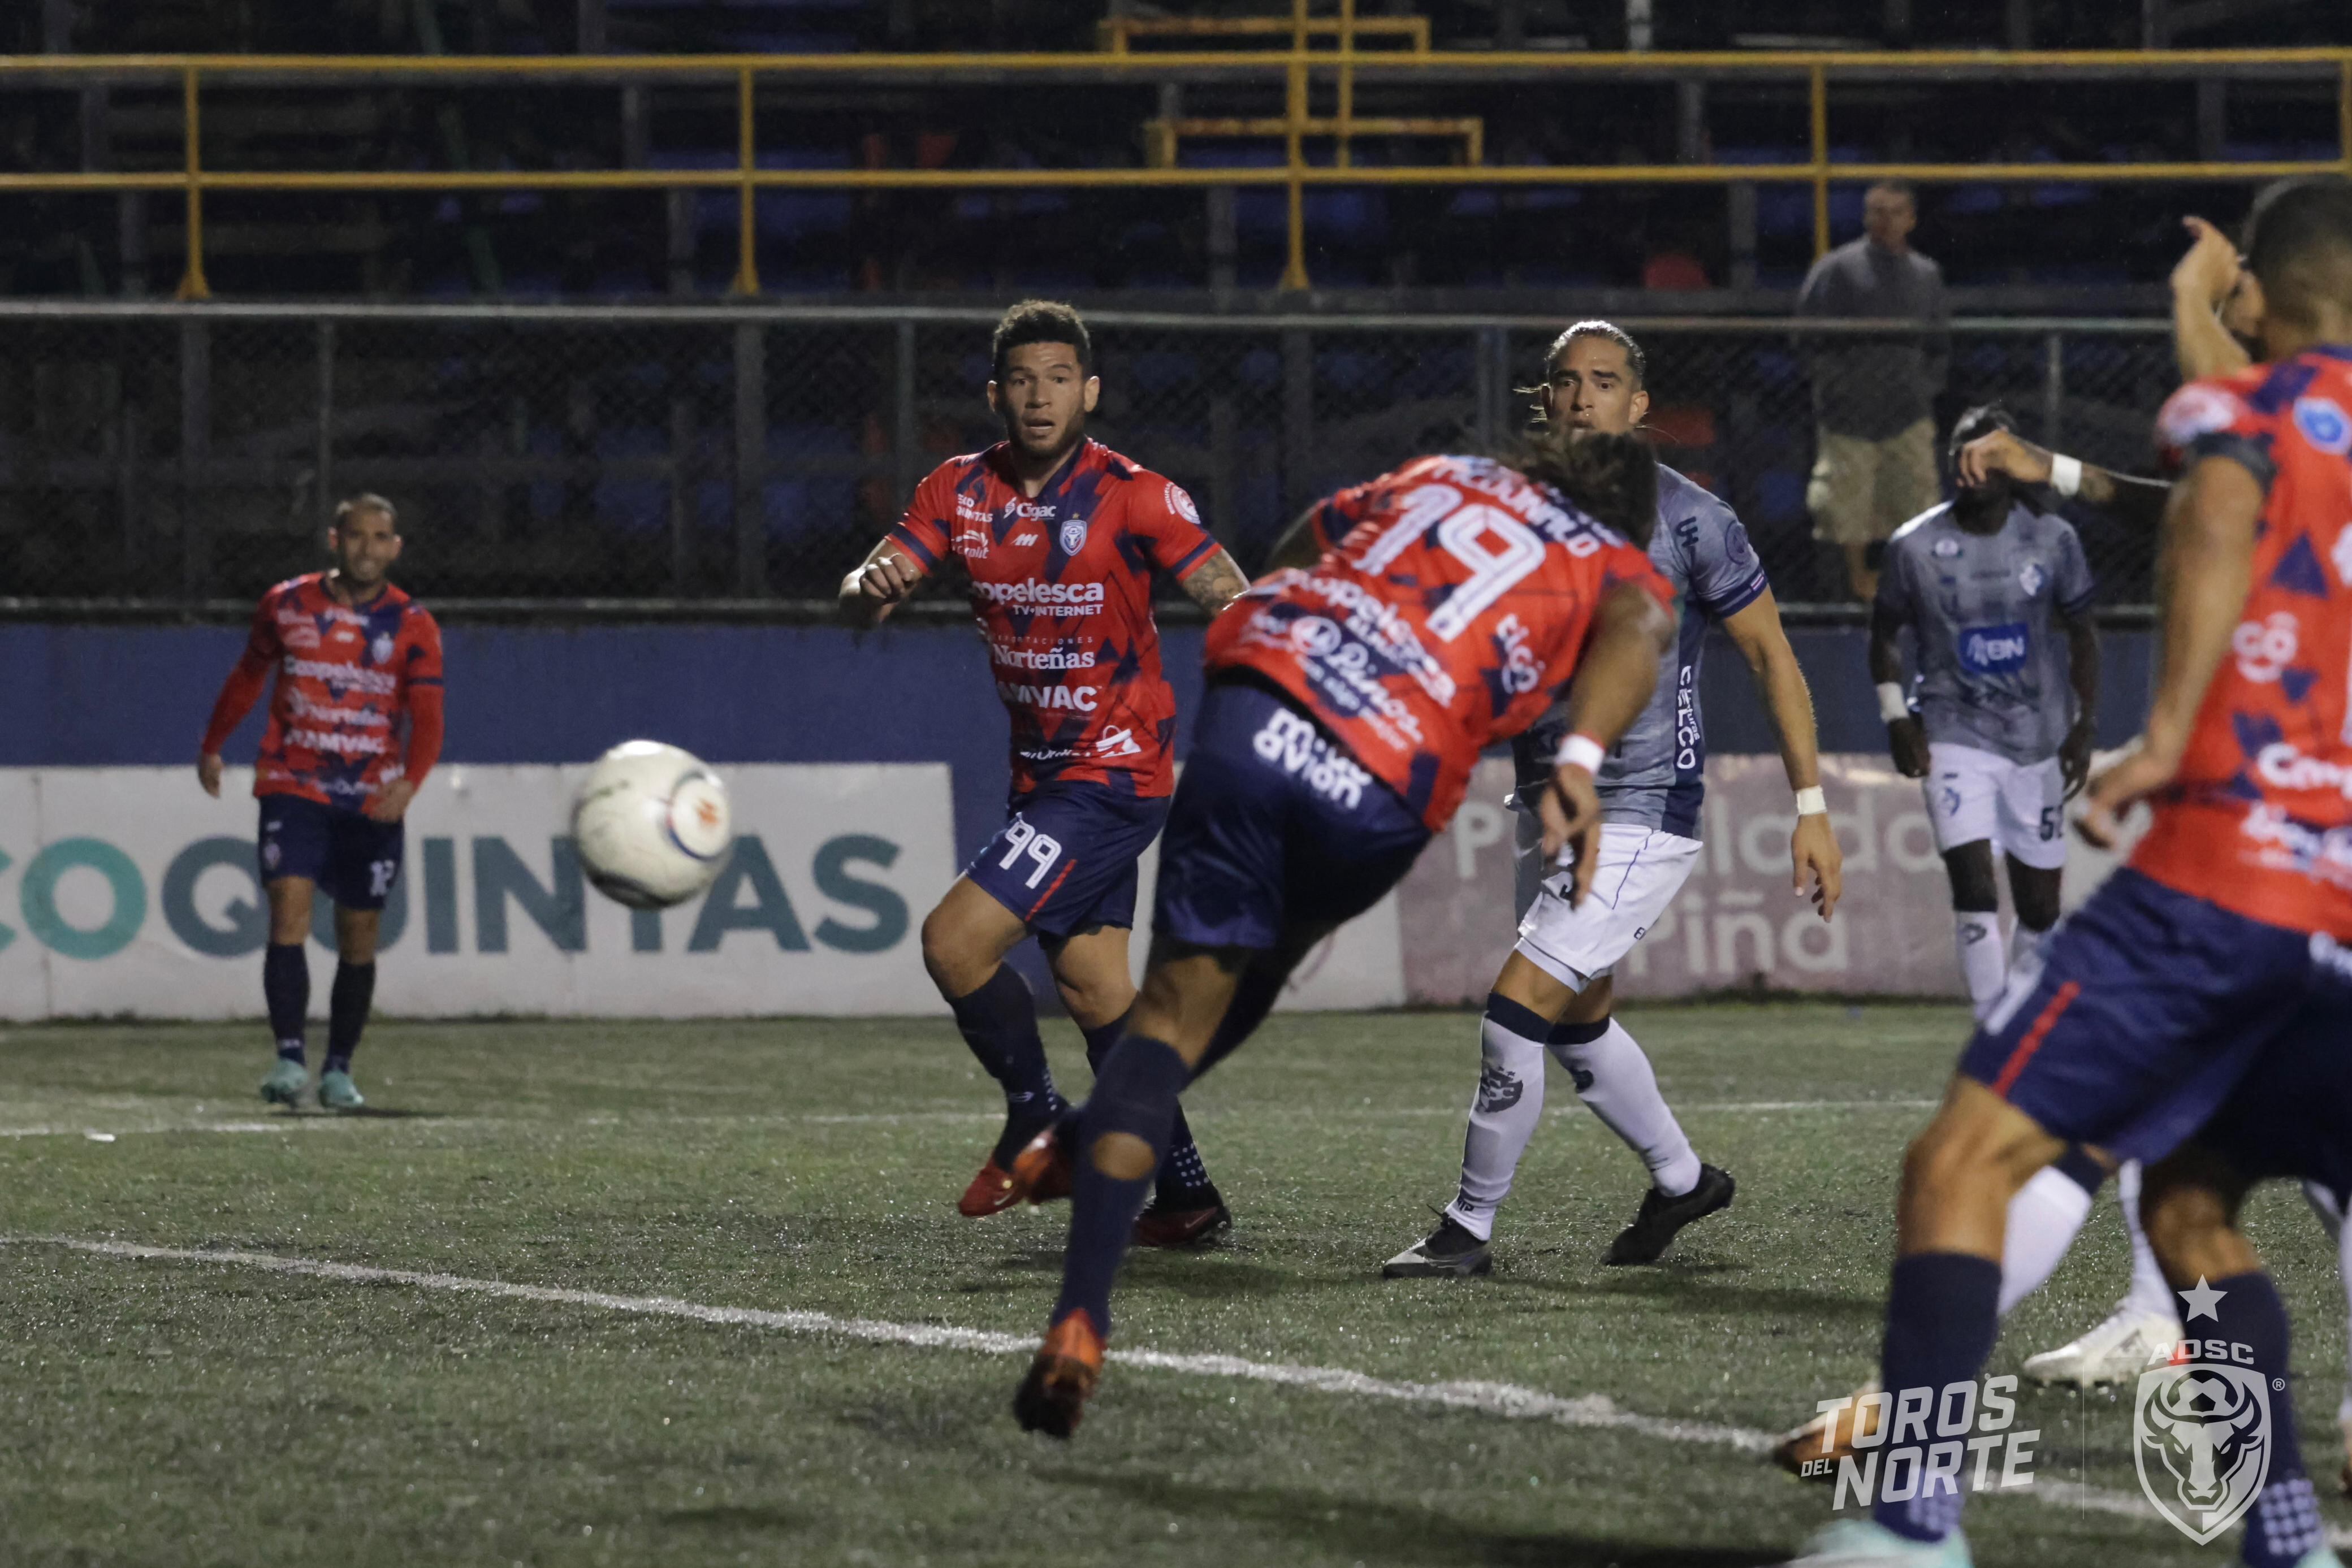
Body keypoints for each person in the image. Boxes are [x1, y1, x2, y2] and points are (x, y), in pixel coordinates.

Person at [1775, 175, 2352, 1568]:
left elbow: (2221, 493)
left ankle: (1912, 1519)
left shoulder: (2248, 423)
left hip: (2223, 880)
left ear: (2257, 300)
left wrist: (2163, 736)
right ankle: (2284, 1539)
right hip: (2335, 909)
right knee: (2190, 1203)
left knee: (1963, 1159)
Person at [998, 431, 1677, 1439]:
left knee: (1175, 1008)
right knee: (1265, 957)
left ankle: (1080, 1315)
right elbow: (1643, 617)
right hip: (1386, 774)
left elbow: (1305, 537)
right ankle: (1091, 1130)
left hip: (1266, 700)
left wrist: (1272, 624)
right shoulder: (1612, 558)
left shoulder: (1446, 473)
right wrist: (1578, 760)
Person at [1374, 320, 1843, 1280]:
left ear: (1639, 406)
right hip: (1545, 804)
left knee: (1515, 1013)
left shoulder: (1691, 519)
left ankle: (1468, 1228)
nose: (1582, 394)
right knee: (1579, 1021)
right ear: (1544, 401)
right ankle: (1682, 1181)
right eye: (1565, 380)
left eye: (1605, 380)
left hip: (1643, 808)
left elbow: (1771, 656)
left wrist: (1812, 805)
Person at [839, 299, 1250, 1247]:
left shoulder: (1137, 494)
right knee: (1098, 991)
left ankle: (1032, 1111)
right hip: (1043, 776)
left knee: (954, 942)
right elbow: (869, 582)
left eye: (1060, 378)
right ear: (995, 393)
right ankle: (1188, 1197)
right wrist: (871, 589)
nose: (1040, 396)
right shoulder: (958, 490)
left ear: (1090, 391)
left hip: (1114, 772)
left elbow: (1226, 589)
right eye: (1022, 379)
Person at [197, 495, 443, 1112]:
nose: (368, 547)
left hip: (370, 795)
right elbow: (249, 674)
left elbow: (428, 716)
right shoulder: (285, 605)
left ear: (396, 547)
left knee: (358, 935)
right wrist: (214, 742)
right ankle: (288, 1056)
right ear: (335, 540)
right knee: (288, 912)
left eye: (380, 536)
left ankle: (338, 1068)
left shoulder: (413, 623)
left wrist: (410, 781)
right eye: (356, 535)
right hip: (293, 781)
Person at [1870, 404, 2100, 1025]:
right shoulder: (1914, 545)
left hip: (2037, 738)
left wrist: (2082, 727)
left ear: (2011, 464)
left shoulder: (2052, 540)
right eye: (1959, 457)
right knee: (1972, 886)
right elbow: (1885, 633)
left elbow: (2082, 632)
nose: (1970, 470)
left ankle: (2017, 1019)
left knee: (2039, 909)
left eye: (1986, 456)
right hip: (1952, 730)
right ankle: (1988, 1031)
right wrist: (1896, 716)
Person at [1798, 180, 1951, 604]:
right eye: (1876, 212)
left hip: (1907, 411)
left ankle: (1913, 587)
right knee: (1845, 510)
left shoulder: (1926, 275)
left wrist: (1924, 390)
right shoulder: (1837, 269)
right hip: (1850, 416)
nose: (1883, 222)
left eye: (1893, 212)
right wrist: (1836, 389)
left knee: (1917, 504)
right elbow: (1809, 338)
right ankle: (1854, 587)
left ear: (1911, 219)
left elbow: (1940, 344)